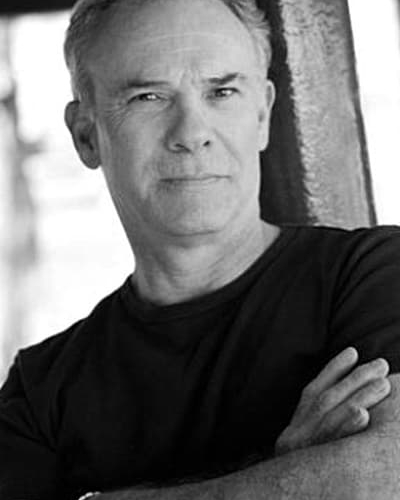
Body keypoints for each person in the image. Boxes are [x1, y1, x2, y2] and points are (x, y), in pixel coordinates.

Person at [1, 0, 400, 498]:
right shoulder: (41, 391)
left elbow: (380, 478)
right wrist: (299, 476)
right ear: (86, 136)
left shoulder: (373, 275)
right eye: (149, 97)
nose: (191, 134)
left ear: (262, 115)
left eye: (222, 92)